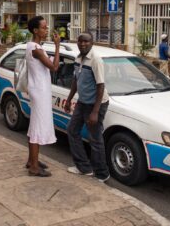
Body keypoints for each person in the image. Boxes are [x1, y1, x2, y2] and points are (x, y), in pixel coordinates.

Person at [64, 32, 110, 182]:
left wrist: (95, 112)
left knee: (95, 139)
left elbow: (100, 86)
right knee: (72, 130)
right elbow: (76, 81)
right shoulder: (78, 58)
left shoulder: (96, 60)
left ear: (92, 43)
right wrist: (69, 99)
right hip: (82, 102)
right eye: (80, 41)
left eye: (86, 41)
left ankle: (102, 174)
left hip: (96, 104)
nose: (83, 44)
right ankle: (84, 167)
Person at [24, 16, 60, 177]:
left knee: (34, 126)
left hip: (39, 90)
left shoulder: (36, 46)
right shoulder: (36, 49)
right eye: (44, 28)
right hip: (39, 91)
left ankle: (32, 161)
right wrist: (58, 46)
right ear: (35, 30)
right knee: (37, 128)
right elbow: (54, 67)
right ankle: (33, 167)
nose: (47, 30)